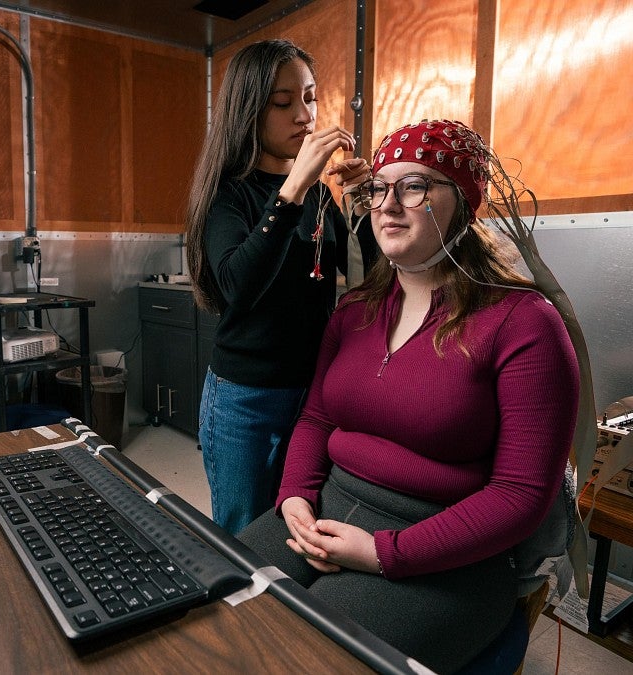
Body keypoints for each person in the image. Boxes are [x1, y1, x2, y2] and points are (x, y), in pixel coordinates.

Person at [236, 119, 581, 674]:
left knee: (302, 657)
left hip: (449, 551)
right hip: (326, 510)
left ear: (463, 204)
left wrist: (383, 554)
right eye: (379, 187)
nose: (388, 204)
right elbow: (317, 420)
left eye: (415, 185)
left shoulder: (524, 324)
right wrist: (295, 498)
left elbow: (520, 495)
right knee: (218, 604)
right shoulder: (354, 311)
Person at [184, 39, 376, 535]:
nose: (305, 116)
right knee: (244, 532)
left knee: (298, 522)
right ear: (250, 109)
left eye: (310, 98)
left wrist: (365, 204)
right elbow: (236, 288)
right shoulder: (231, 193)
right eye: (283, 102)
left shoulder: (316, 194)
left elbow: (373, 277)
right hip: (245, 398)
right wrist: (290, 193)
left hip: (313, 392)